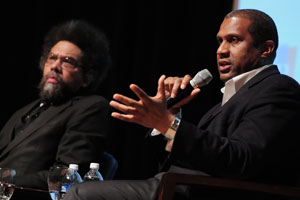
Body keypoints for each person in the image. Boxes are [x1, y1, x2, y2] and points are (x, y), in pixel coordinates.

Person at [64, 9, 300, 200]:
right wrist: (169, 115)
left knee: (79, 192)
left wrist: (169, 124)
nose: (221, 51)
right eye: (220, 41)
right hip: (175, 184)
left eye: (234, 40)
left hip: (199, 192)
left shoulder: (278, 88)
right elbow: (181, 159)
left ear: (266, 49)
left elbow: (242, 159)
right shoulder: (228, 99)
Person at [0, 19, 112, 197]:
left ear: (87, 77)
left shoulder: (91, 107)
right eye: (52, 57)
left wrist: (4, 182)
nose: (55, 66)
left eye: (67, 61)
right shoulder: (24, 111)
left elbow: (68, 173)